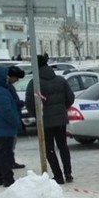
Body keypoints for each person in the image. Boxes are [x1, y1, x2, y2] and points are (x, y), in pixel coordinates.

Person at [25, 55, 75, 185]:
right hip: (61, 119)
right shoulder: (60, 80)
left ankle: (58, 176)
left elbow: (30, 103)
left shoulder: (34, 83)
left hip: (45, 121)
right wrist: (62, 109)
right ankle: (68, 173)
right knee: (63, 146)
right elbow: (70, 97)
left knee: (49, 148)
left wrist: (37, 115)